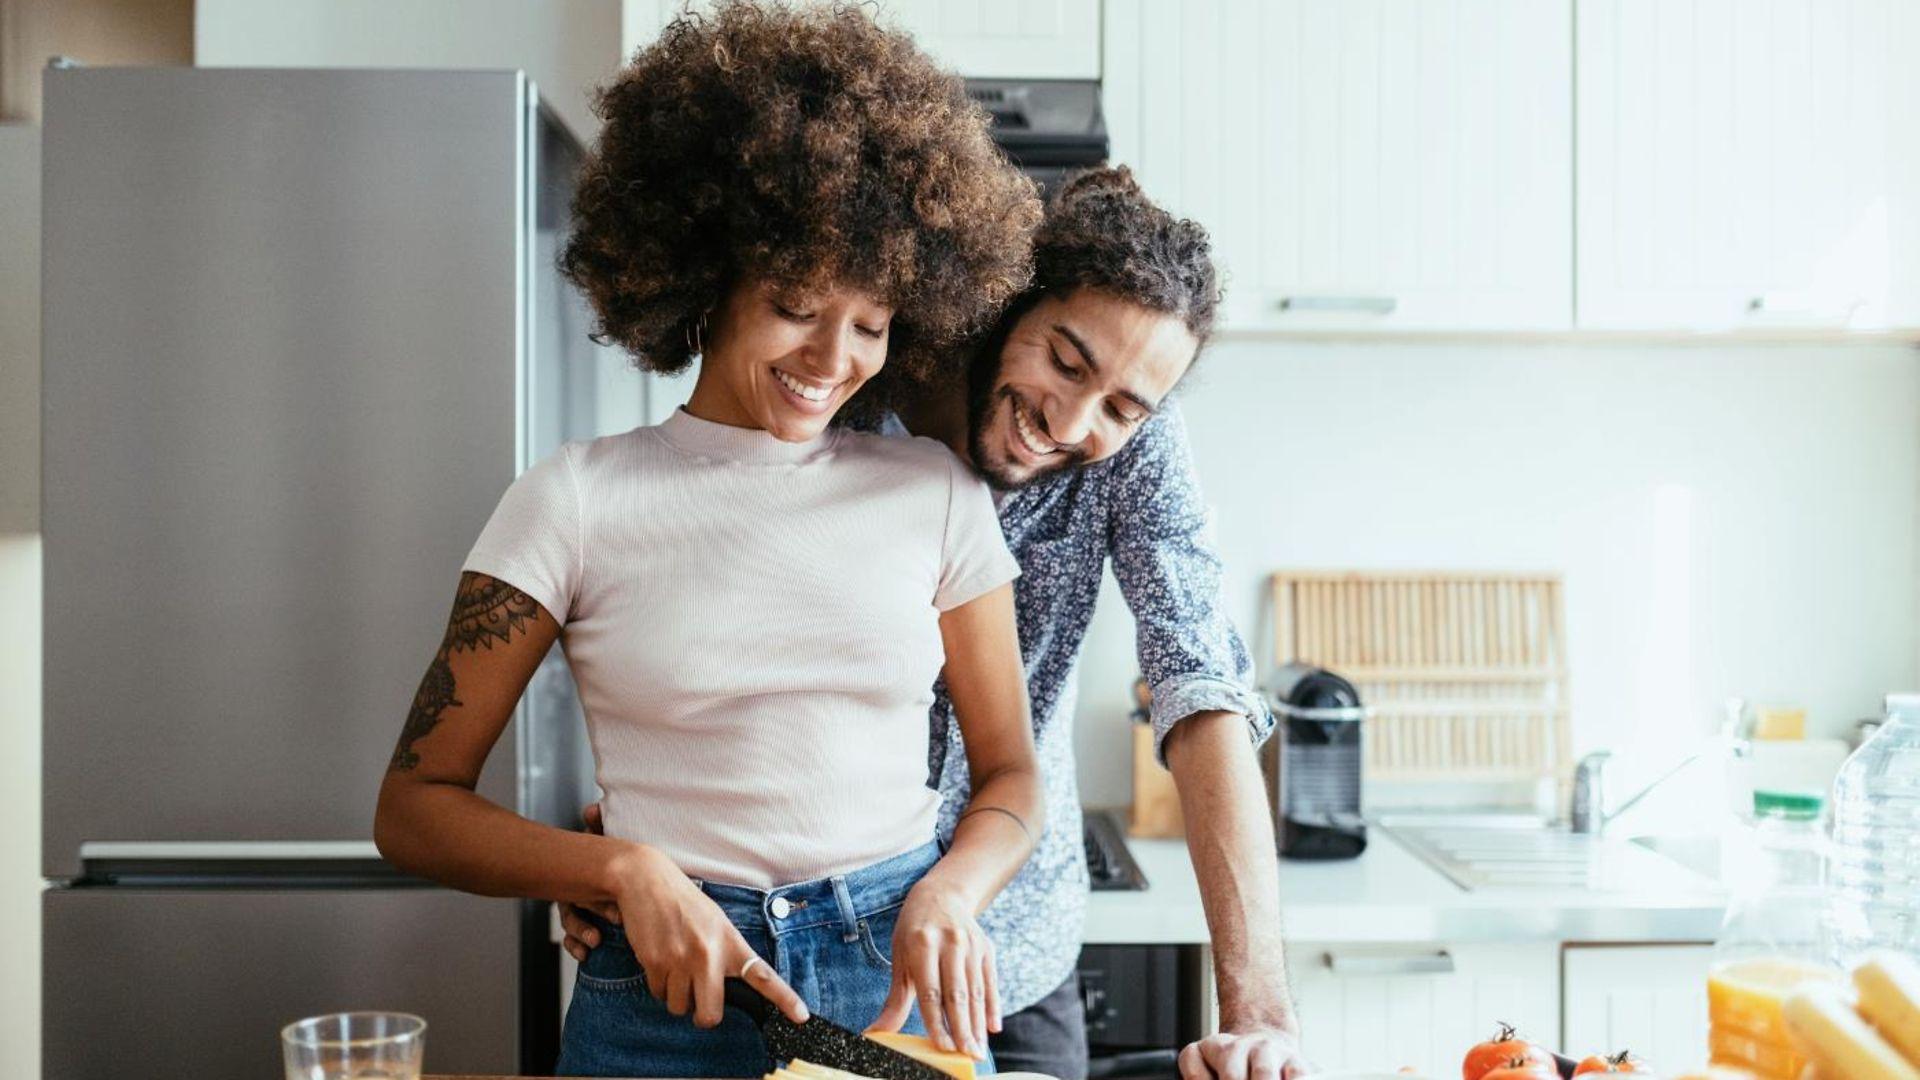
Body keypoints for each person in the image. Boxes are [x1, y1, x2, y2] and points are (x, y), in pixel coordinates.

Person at [372, 4, 1047, 1076]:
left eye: (870, 323)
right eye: (795, 305)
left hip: (890, 981)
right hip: (659, 991)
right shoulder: (574, 500)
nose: (834, 357)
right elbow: (414, 811)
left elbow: (1011, 774)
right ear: (706, 278)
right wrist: (618, 872)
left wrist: (954, 890)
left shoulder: (937, 492)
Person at [566, 167, 1314, 1080]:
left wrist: (1261, 1014)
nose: (1073, 419)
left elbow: (1201, 686)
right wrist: (648, 833)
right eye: (1066, 362)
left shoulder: (1135, 438)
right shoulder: (841, 390)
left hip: (1009, 948)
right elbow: (708, 604)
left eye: (1120, 406)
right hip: (800, 956)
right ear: (1005, 305)